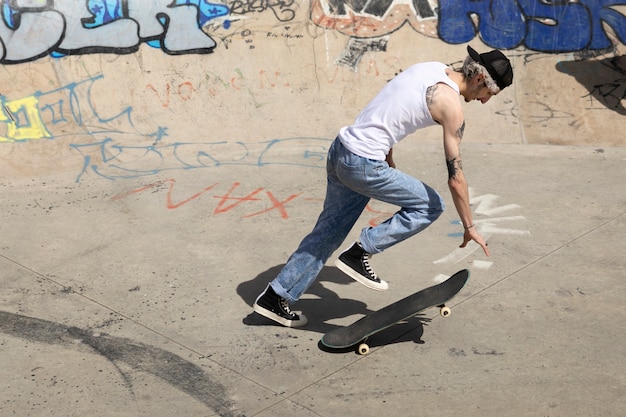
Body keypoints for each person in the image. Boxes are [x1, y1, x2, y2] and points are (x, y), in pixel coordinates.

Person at [253, 46, 513, 328]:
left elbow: (390, 107)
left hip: (341, 150)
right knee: (430, 204)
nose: (485, 101)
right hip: (363, 163)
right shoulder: (451, 106)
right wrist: (469, 226)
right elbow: (456, 177)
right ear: (479, 80)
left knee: (328, 231)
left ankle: (275, 297)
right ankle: (359, 252)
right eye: (489, 94)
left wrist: (387, 155)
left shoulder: (432, 67)